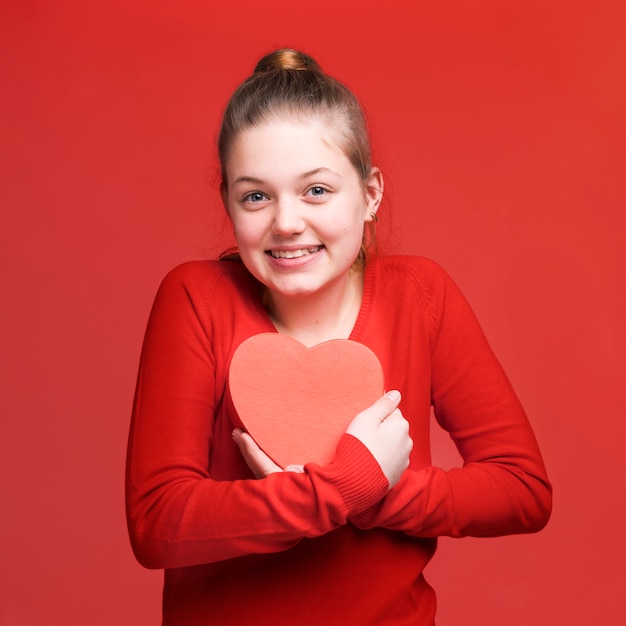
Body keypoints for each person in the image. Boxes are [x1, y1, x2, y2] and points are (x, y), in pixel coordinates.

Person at [125, 48, 552, 625]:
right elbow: (155, 523)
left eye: (316, 191)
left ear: (370, 193)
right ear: (227, 200)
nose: (286, 222)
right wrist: (336, 492)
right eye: (256, 195)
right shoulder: (194, 298)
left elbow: (523, 490)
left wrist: (380, 492)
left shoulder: (420, 295)